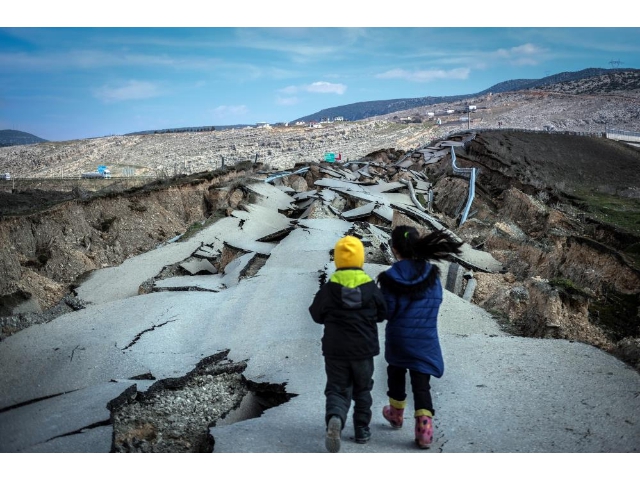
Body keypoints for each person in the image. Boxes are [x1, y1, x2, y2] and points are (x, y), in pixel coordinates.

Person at [377, 225, 463, 449]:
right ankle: (424, 428)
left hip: (398, 338)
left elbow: (386, 310)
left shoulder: (390, 277)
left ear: (395, 249)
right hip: (425, 338)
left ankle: (395, 414)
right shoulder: (431, 275)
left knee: (395, 372)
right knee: (421, 383)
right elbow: (437, 300)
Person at [309, 235, 387, 453]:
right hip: (364, 349)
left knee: (337, 388)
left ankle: (335, 418)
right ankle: (362, 429)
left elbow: (316, 314)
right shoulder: (371, 288)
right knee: (363, 389)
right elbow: (384, 312)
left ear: (338, 261)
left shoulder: (329, 289)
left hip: (335, 350)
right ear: (361, 259)